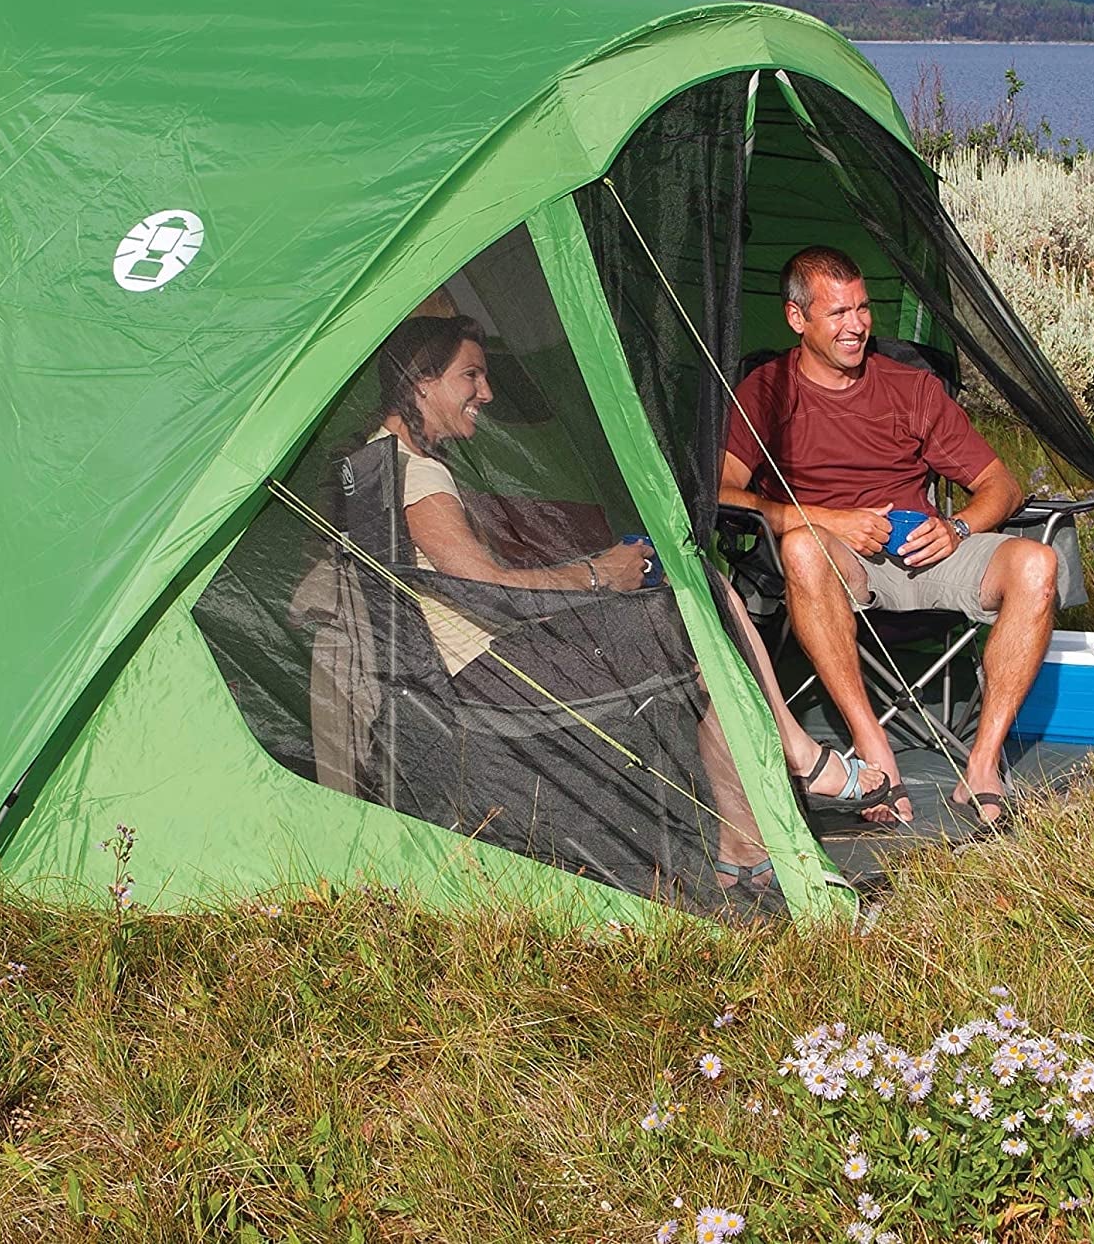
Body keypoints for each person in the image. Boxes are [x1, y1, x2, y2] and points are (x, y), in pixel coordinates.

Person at [370, 314, 892, 887]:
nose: (487, 393)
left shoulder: (375, 459)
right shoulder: (417, 473)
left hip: (459, 668)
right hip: (488, 678)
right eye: (472, 375)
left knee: (695, 609)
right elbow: (483, 585)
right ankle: (781, 772)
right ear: (421, 381)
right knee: (702, 607)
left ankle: (742, 837)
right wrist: (598, 576)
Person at [717, 247, 1058, 827]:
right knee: (803, 545)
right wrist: (824, 519)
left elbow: (999, 483)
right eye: (838, 314)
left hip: (924, 550)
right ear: (797, 319)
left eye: (863, 309)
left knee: (1037, 564)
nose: (856, 326)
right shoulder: (765, 391)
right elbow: (722, 493)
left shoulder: (911, 388)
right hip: (838, 560)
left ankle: (982, 765)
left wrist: (956, 527)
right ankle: (874, 751)